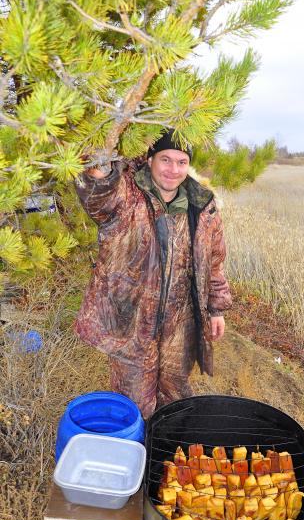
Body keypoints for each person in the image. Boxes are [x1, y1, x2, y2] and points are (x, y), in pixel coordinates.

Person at [74, 130, 232, 419]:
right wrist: (107, 146)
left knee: (176, 397)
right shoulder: (125, 194)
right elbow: (96, 191)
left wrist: (215, 308)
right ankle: (138, 455)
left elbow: (215, 262)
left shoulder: (203, 205)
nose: (173, 170)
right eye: (166, 159)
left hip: (180, 324)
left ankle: (170, 454)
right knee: (135, 405)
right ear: (149, 159)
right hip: (133, 322)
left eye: (181, 162)